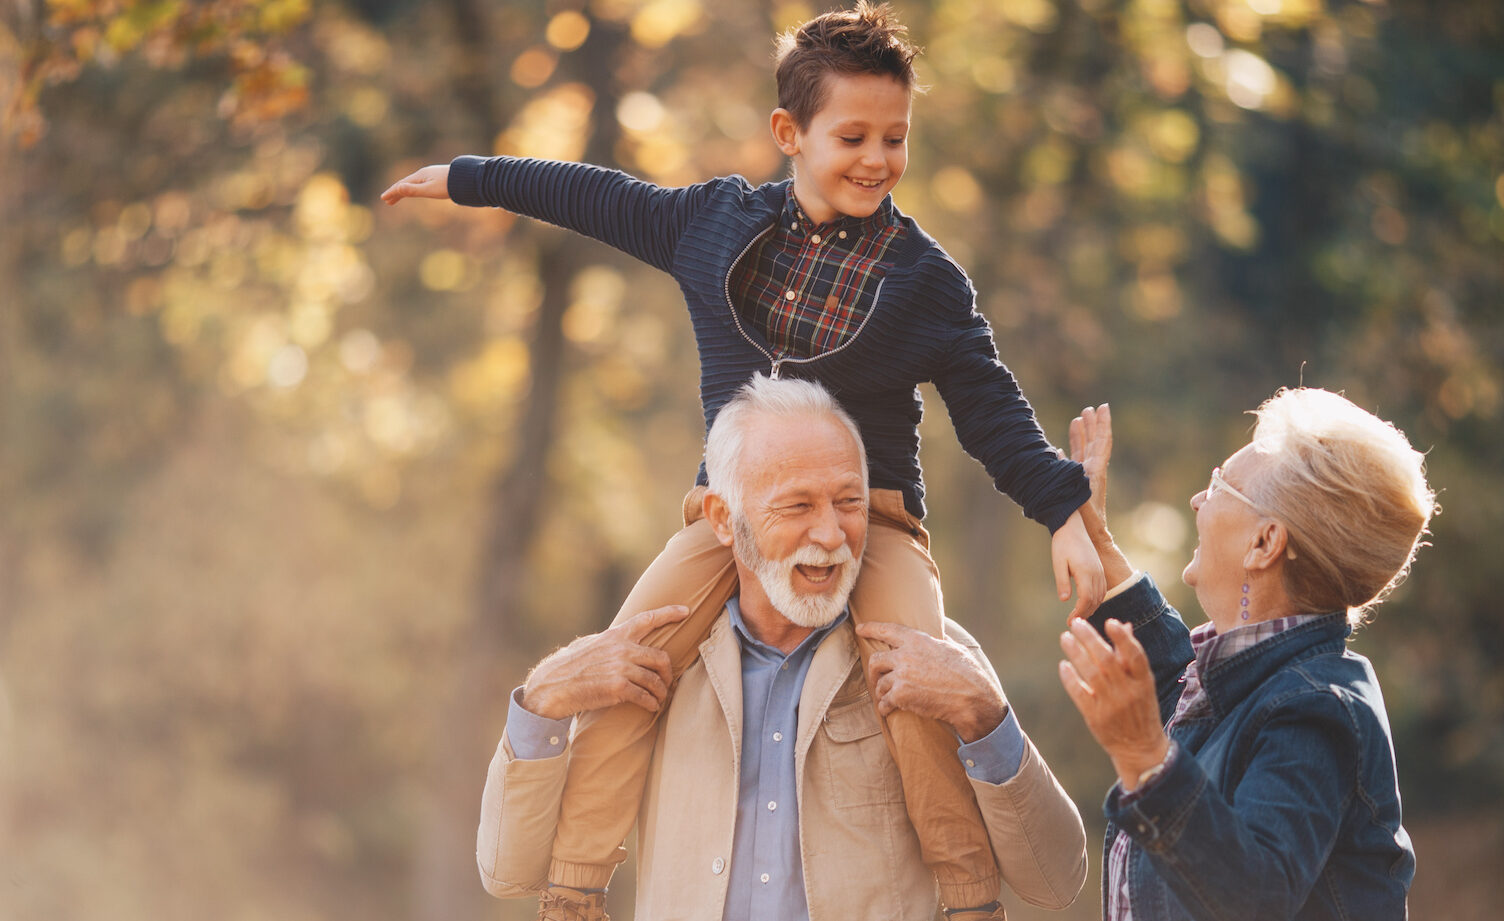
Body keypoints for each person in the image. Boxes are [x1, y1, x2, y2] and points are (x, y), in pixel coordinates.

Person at [384, 4, 1101, 917]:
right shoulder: (712, 225)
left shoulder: (924, 282)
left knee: (912, 675)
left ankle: (965, 895)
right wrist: (467, 177)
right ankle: (572, 891)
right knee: (627, 665)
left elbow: (993, 412)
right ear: (788, 133)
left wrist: (1065, 511)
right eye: (852, 135)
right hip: (728, 514)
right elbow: (590, 193)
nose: (877, 159)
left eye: (896, 137)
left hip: (872, 520)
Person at [477, 374, 1090, 921]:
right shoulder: (657, 663)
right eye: (797, 506)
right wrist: (544, 699)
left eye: (849, 503)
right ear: (723, 518)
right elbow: (507, 872)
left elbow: (1056, 881)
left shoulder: (931, 656)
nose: (830, 533)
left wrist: (987, 716)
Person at [1052, 392, 1434, 920]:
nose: (1197, 501)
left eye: (1217, 485)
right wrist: (1094, 535)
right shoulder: (1253, 684)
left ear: (1265, 542)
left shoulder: (1315, 712)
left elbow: (1255, 898)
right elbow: (1175, 686)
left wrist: (1145, 758)